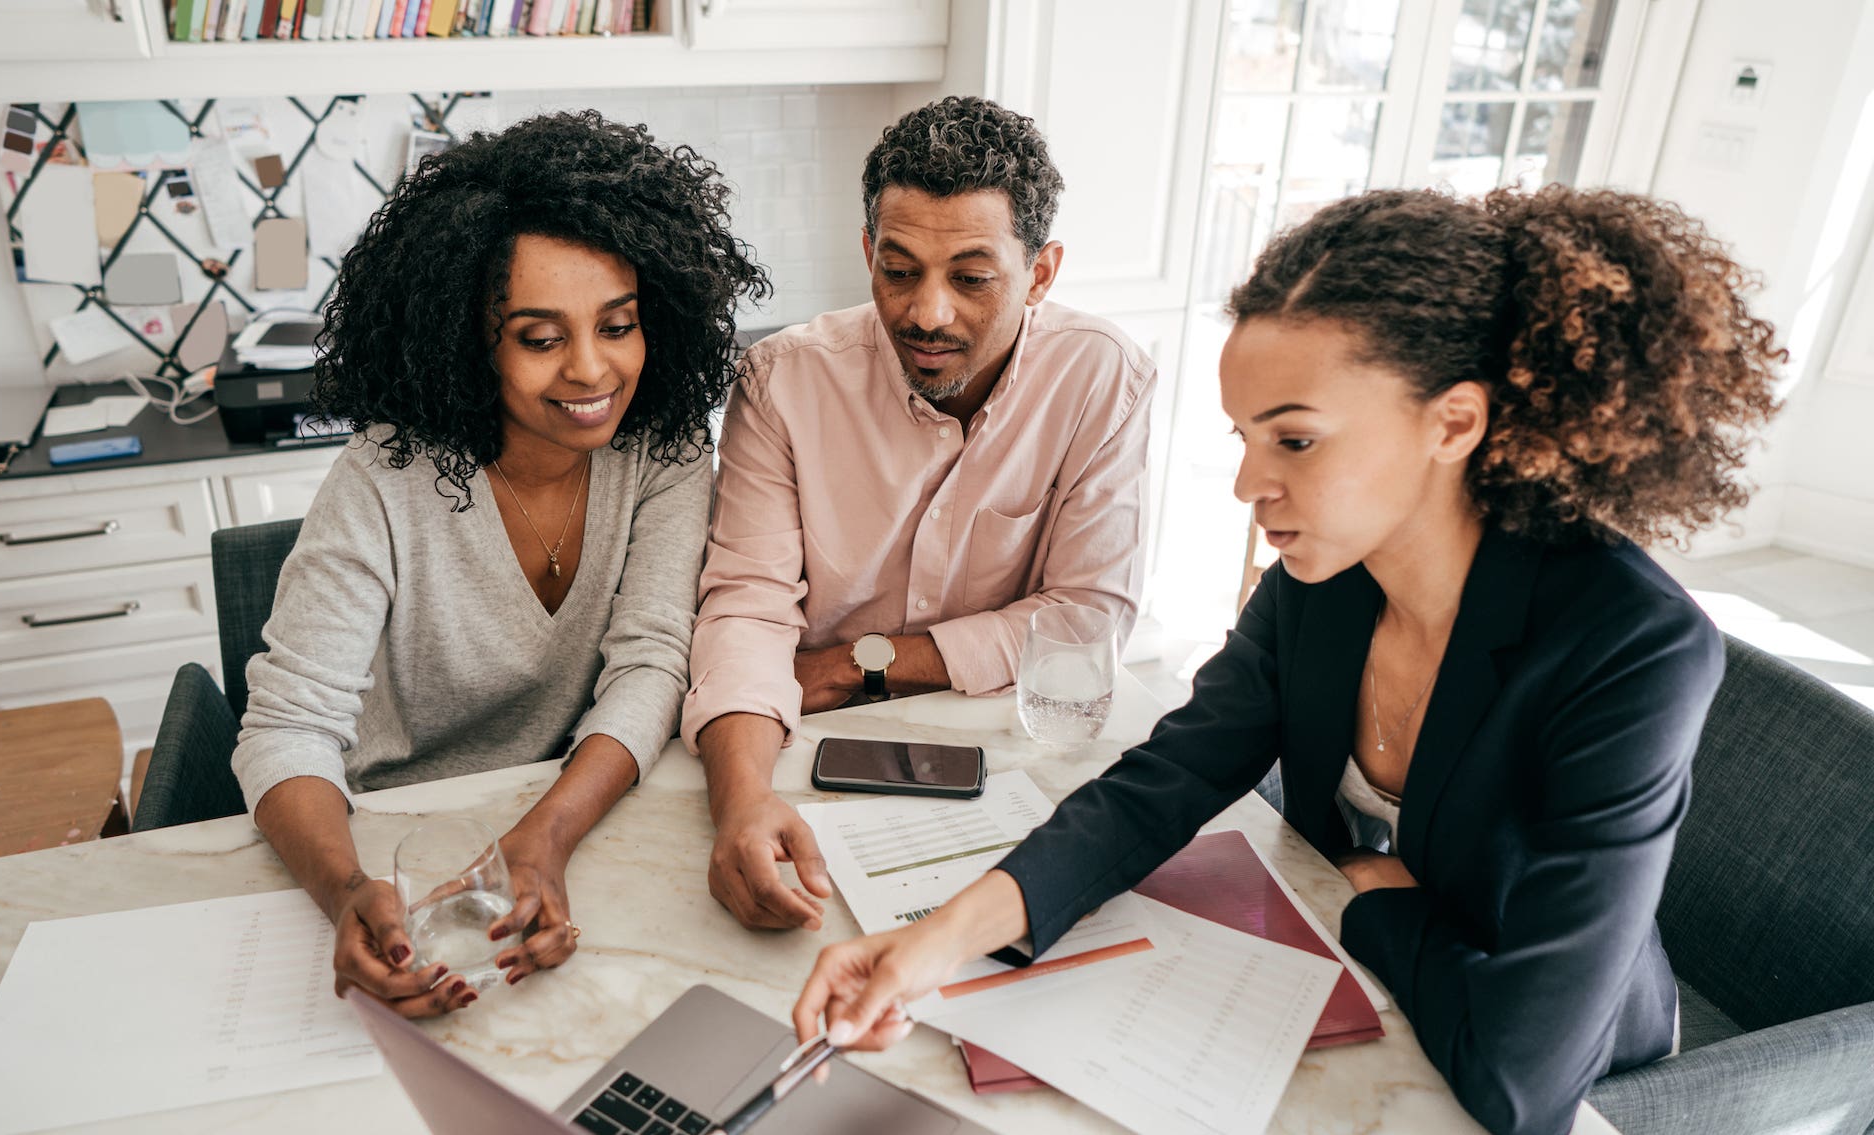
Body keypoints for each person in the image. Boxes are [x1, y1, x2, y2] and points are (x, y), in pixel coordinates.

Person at [791, 185, 1784, 1135]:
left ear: (1452, 422)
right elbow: (1167, 777)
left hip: (1571, 1068)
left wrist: (1372, 901)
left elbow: (1521, 1079)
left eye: (1294, 441)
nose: (1245, 484)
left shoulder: (1627, 648)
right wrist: (933, 944)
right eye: (1243, 438)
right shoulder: (1324, 576)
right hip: (1358, 992)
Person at [230, 110, 768, 1019]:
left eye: (619, 324)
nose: (592, 372)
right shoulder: (385, 475)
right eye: (540, 336)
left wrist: (545, 837)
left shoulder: (665, 448)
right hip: (392, 834)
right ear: (471, 340)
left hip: (581, 813)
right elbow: (285, 727)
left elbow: (652, 662)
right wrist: (342, 888)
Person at [683, 95, 1158, 933]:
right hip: (797, 746)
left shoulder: (1101, 378)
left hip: (1009, 760)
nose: (927, 313)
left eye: (972, 279)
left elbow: (1088, 620)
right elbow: (746, 608)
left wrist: (859, 662)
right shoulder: (782, 381)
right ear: (868, 251)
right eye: (898, 271)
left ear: (1040, 274)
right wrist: (743, 803)